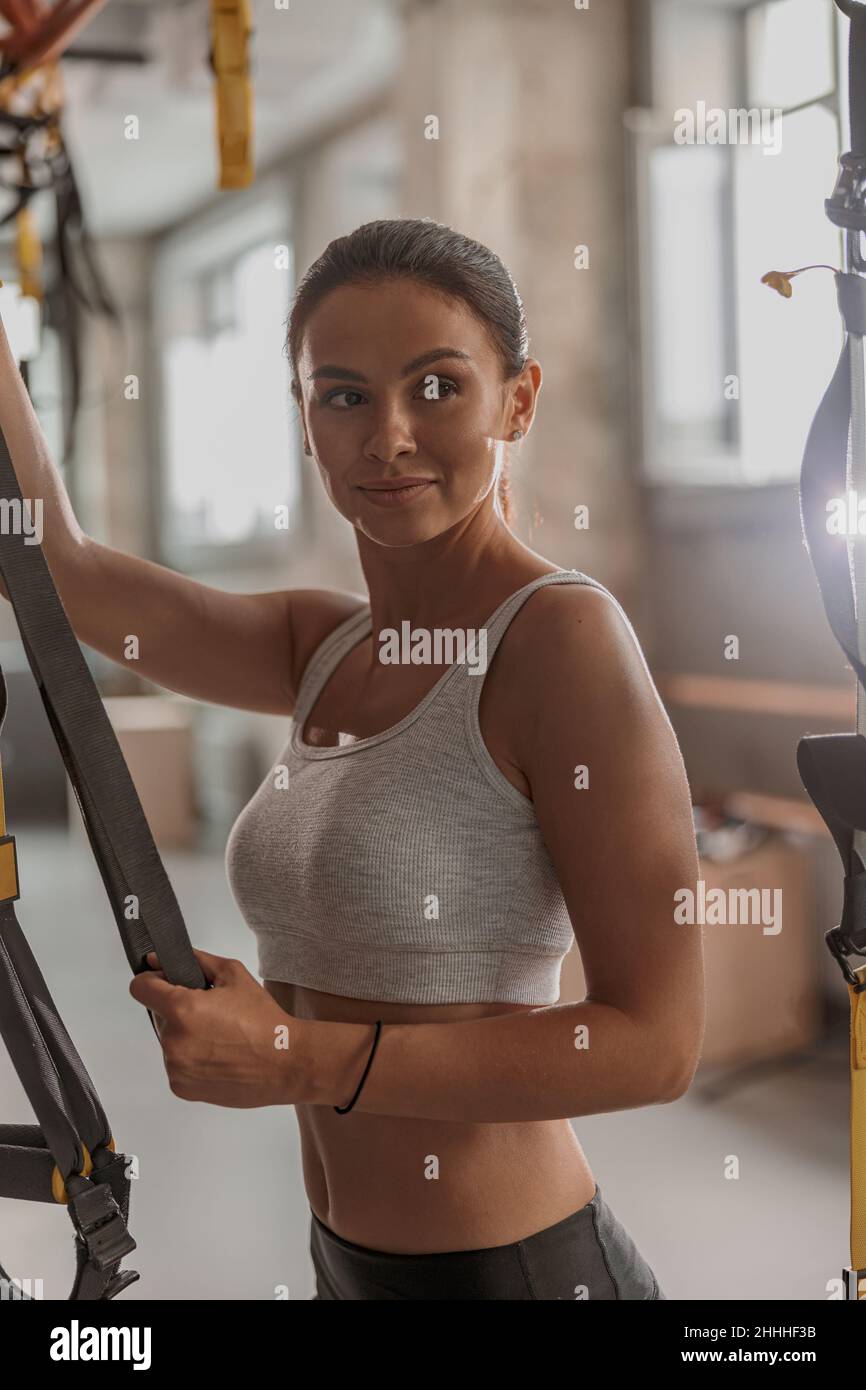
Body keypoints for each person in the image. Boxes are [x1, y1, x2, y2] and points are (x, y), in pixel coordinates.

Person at [0, 216, 703, 1300]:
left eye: (436, 387)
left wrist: (295, 1059)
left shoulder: (559, 641)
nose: (387, 437)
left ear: (515, 399)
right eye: (343, 395)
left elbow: (654, 1043)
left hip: (516, 1274)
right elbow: (60, 567)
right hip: (344, 1268)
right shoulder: (321, 650)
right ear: (304, 419)